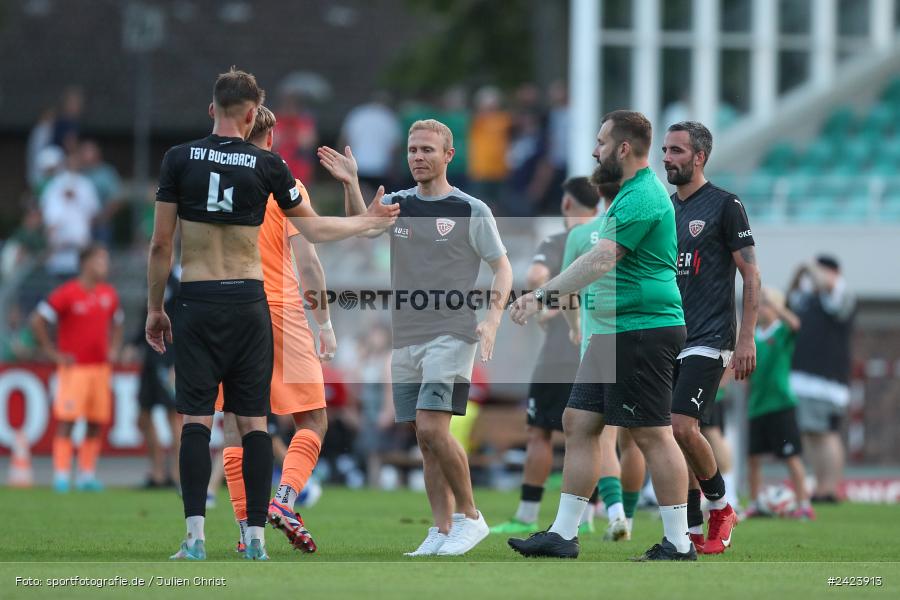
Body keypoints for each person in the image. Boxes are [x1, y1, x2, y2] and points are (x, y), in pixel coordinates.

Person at [146, 68, 398, 561]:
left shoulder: (179, 159)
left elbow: (160, 244)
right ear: (259, 123)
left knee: (204, 423)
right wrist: (363, 213)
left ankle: (202, 536)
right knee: (275, 421)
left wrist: (156, 308)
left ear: (212, 109)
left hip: (197, 299)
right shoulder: (271, 171)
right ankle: (267, 525)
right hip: (257, 303)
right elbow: (317, 244)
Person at [509, 110, 692, 561]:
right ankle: (563, 534)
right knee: (579, 422)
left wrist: (543, 295)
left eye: (601, 142)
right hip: (615, 332)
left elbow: (602, 260)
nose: (595, 150)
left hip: (643, 329)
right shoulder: (629, 193)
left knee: (652, 435)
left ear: (623, 148)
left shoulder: (642, 195)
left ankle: (679, 542)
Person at [216, 106, 363, 554]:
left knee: (237, 427)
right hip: (279, 308)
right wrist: (326, 324)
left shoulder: (215, 186)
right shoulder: (284, 184)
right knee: (313, 418)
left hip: (225, 309)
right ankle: (284, 498)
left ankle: (247, 531)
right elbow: (311, 261)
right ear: (271, 134)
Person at [378, 119, 512, 557]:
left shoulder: (471, 209)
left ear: (448, 155)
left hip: (452, 333)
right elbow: (363, 228)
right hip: (407, 335)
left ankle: (471, 518)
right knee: (424, 437)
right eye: (413, 150)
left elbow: (502, 267)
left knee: (435, 428)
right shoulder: (396, 204)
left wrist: (492, 320)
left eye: (427, 150)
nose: (418, 157)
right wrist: (347, 184)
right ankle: (440, 528)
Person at [662, 121, 760, 554]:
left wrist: (747, 339)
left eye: (677, 151)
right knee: (672, 433)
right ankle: (687, 529)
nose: (667, 158)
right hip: (669, 337)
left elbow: (751, 274)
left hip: (710, 336)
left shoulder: (725, 205)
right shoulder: (667, 209)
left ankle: (721, 506)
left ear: (699, 157)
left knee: (684, 425)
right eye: (665, 150)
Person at [489, 177, 601, 537]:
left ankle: (526, 514)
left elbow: (537, 274)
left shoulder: (559, 241)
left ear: (566, 205)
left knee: (541, 434)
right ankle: (599, 516)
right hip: (604, 350)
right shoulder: (609, 239)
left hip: (559, 354)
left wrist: (542, 308)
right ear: (598, 208)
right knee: (596, 436)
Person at [558, 178, 648, 542]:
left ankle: (614, 514)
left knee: (600, 437)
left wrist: (573, 327)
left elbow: (566, 294)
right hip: (643, 338)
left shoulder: (581, 235)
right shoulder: (638, 227)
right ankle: (631, 512)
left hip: (600, 343)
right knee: (637, 438)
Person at [31, 244, 122, 493]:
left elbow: (118, 322)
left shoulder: (109, 294)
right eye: (100, 260)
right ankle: (61, 475)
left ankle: (86, 474)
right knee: (68, 420)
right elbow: (37, 320)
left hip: (100, 369)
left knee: (95, 422)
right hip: (75, 370)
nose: (105, 265)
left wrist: (114, 348)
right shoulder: (67, 293)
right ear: (86, 264)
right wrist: (52, 354)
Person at [787, 256, 856, 503]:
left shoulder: (841, 294)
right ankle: (820, 487)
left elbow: (829, 289)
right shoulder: (809, 298)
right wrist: (800, 272)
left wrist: (811, 268)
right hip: (804, 379)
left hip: (826, 382)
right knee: (810, 434)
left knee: (826, 433)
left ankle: (830, 488)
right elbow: (792, 299)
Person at [745, 287, 815, 520]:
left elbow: (796, 324)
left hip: (781, 404)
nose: (761, 307)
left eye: (765, 304)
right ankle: (754, 503)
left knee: (791, 455)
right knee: (753, 458)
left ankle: (804, 504)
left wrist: (775, 305)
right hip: (758, 405)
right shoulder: (753, 336)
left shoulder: (782, 331)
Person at [340, 92, 400, 195]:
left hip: (358, 164)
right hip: (380, 166)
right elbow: (395, 147)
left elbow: (345, 140)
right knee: (379, 199)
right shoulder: (389, 117)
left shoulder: (357, 114)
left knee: (358, 197)